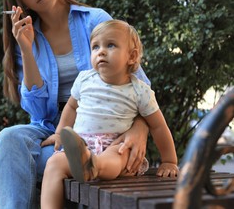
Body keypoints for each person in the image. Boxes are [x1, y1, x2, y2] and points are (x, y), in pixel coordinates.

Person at [0, 0, 151, 208]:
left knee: (47, 163)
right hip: (53, 131)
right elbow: (38, 113)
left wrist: (140, 129)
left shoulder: (94, 20)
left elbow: (140, 85)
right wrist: (27, 49)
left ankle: (81, 160)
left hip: (103, 132)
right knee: (9, 139)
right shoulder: (26, 38)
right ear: (19, 3)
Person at [40, 20, 179, 209]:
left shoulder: (140, 91)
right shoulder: (84, 80)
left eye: (110, 45)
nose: (101, 51)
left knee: (116, 156)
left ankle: (94, 165)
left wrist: (169, 160)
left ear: (132, 56)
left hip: (117, 144)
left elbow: (158, 126)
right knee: (54, 164)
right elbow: (71, 107)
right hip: (82, 146)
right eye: (95, 47)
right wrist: (59, 132)